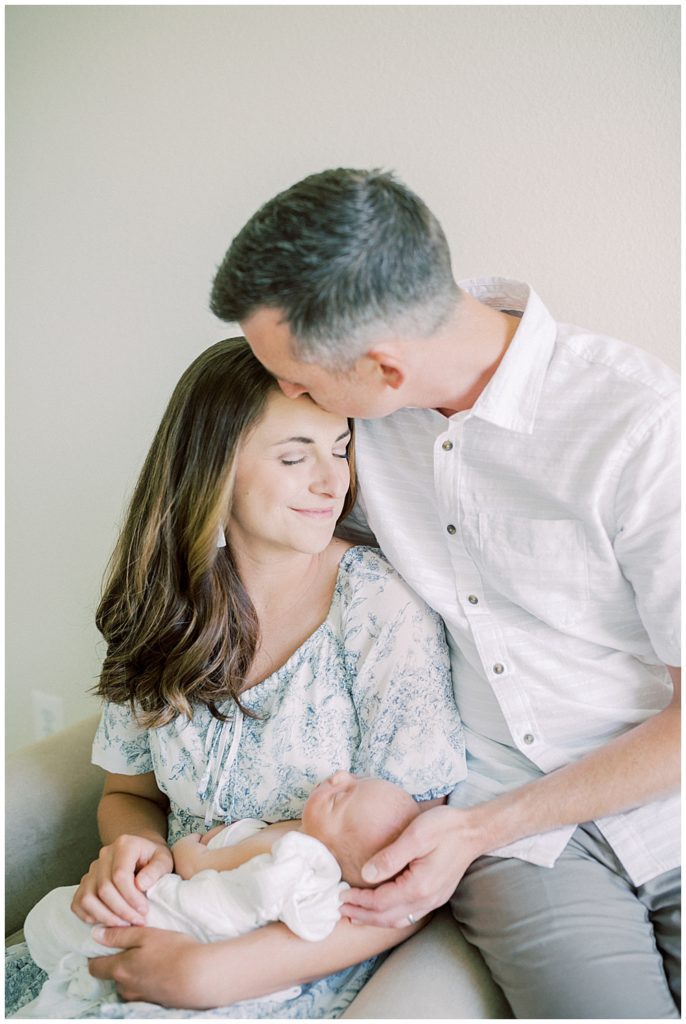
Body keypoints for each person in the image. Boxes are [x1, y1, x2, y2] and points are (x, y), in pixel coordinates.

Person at [204, 168, 681, 1019]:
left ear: (386, 369)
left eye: (307, 385)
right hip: (519, 843)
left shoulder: (641, 427)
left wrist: (477, 831)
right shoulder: (358, 428)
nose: (296, 401)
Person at [5, 336, 467, 1019]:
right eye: (294, 456)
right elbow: (129, 792)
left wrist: (215, 975)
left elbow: (412, 873)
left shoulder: (378, 609)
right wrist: (130, 849)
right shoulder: (164, 603)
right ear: (214, 470)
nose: (330, 480)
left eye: (339, 448)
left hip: (291, 959)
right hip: (169, 915)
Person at [19, 773, 422, 1019]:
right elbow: (128, 793)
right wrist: (143, 844)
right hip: (175, 921)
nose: (337, 776)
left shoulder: (290, 848)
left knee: (59, 920)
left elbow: (198, 866)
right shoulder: (313, 854)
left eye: (340, 796)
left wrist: (188, 849)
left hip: (203, 930)